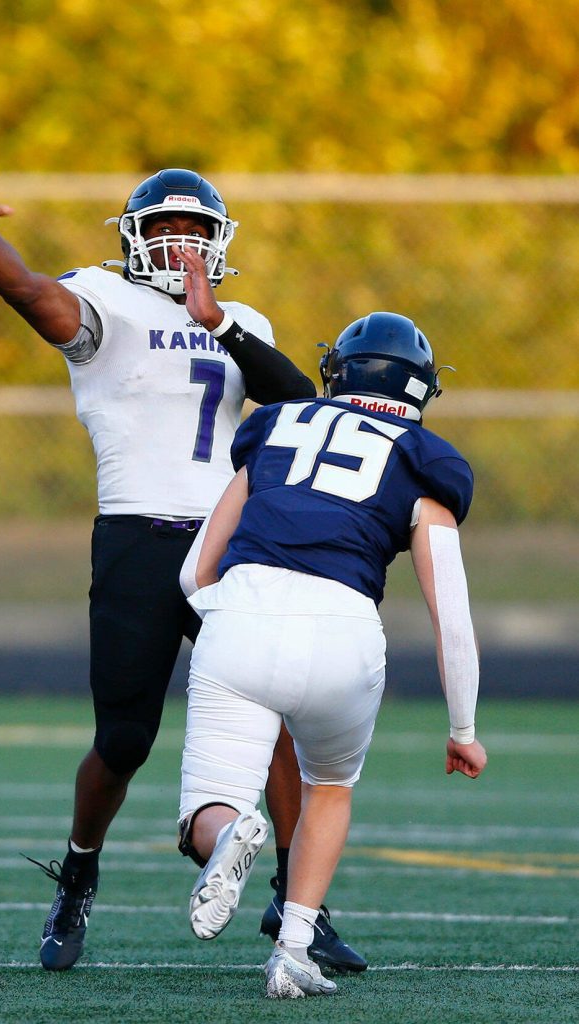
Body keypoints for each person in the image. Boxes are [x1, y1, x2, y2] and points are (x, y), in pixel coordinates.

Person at [0, 168, 365, 973]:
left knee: (279, 718)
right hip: (137, 536)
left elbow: (295, 401)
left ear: (220, 242)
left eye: (196, 231)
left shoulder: (241, 318)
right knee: (124, 740)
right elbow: (29, 292)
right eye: (166, 229)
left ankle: (297, 904)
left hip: (230, 544)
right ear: (134, 236)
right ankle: (79, 873)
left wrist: (219, 324)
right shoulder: (105, 297)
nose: (181, 244)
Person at [176, 311, 488, 999]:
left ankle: (233, 832)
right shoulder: (425, 459)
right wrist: (463, 729)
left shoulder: (275, 427)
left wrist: (231, 625)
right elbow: (452, 616)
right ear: (421, 388)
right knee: (329, 787)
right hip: (344, 631)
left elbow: (196, 571)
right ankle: (292, 951)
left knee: (209, 807)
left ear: (335, 373)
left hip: (244, 611)